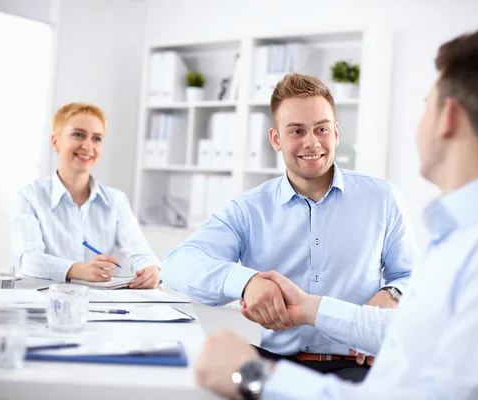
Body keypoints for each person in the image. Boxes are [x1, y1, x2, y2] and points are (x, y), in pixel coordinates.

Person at [194, 29, 478, 399]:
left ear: (449, 118)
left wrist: (253, 377)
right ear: (277, 138)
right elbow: (410, 330)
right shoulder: (471, 234)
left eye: (426, 106)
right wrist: (308, 308)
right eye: (297, 130)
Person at [162, 73, 416, 380]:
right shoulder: (249, 209)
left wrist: (393, 293)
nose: (312, 142)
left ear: (336, 133)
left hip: (356, 364)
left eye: (321, 129)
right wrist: (247, 282)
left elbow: (411, 276)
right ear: (276, 139)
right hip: (276, 361)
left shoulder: (382, 198)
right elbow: (177, 265)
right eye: (296, 131)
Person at [11, 102, 161, 288]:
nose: (88, 146)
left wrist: (150, 269)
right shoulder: (29, 196)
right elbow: (27, 258)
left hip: (101, 305)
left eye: (97, 138)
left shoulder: (116, 200)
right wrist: (77, 269)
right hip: (46, 302)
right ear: (55, 141)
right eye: (78, 135)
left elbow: (140, 253)